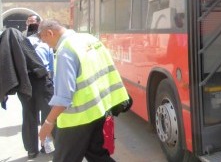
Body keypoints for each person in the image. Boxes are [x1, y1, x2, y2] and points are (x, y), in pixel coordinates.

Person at [38, 19, 130, 162]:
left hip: (76, 119)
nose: (47, 45)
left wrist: (48, 123)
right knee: (97, 155)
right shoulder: (89, 38)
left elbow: (63, 97)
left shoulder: (65, 51)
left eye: (44, 40)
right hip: (100, 110)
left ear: (50, 33)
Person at [0, 27, 54, 159]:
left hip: (24, 84)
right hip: (42, 82)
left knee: (29, 116)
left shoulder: (10, 41)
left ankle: (31, 150)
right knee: (48, 116)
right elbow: (50, 66)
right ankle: (48, 146)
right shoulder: (41, 44)